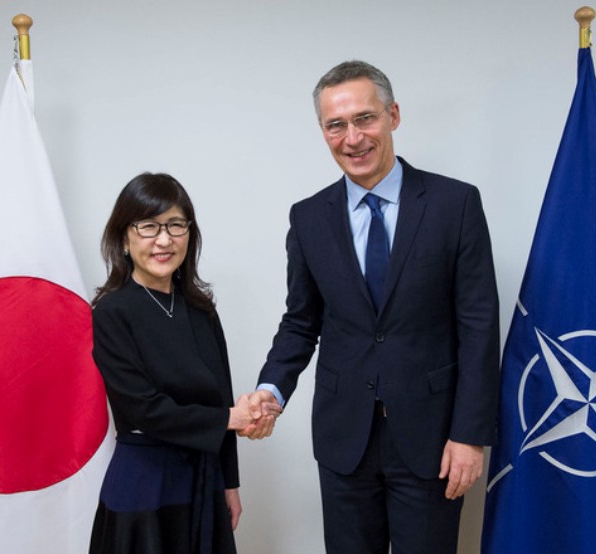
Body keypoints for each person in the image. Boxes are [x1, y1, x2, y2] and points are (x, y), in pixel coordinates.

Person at [244, 60, 501, 552]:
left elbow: (479, 327)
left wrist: (470, 435)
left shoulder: (455, 205)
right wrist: (271, 389)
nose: (352, 138)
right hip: (345, 442)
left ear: (393, 116)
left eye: (365, 118)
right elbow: (301, 322)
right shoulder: (308, 218)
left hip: (433, 441)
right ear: (323, 131)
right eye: (335, 125)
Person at [89, 172, 278, 553]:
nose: (164, 240)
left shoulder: (200, 309)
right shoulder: (111, 312)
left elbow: (220, 395)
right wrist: (232, 418)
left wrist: (230, 482)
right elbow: (145, 410)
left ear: (189, 235)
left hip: (203, 480)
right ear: (124, 238)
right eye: (148, 226)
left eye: (176, 225)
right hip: (144, 483)